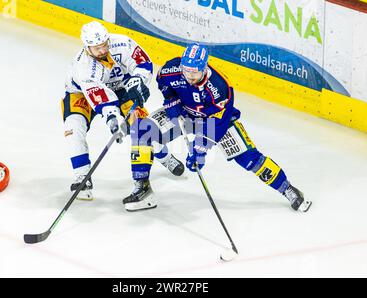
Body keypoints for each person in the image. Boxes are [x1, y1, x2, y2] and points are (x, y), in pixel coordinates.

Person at [125, 43, 312, 212]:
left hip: (216, 122)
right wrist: (171, 100)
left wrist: (200, 149)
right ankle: (143, 189)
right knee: (142, 131)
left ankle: (287, 188)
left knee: (250, 159)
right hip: (185, 113)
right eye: (186, 71)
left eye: (194, 72)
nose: (189, 76)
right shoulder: (172, 69)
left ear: (204, 68)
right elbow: (163, 82)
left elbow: (218, 123)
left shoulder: (220, 87)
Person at [62, 21, 184, 201]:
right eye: (97, 48)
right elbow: (100, 96)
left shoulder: (123, 43)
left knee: (143, 128)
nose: (103, 50)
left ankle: (165, 157)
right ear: (87, 47)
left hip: (122, 89)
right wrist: (113, 118)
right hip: (80, 94)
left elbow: (144, 63)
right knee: (74, 128)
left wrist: (138, 81)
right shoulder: (83, 67)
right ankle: (82, 178)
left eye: (104, 44)